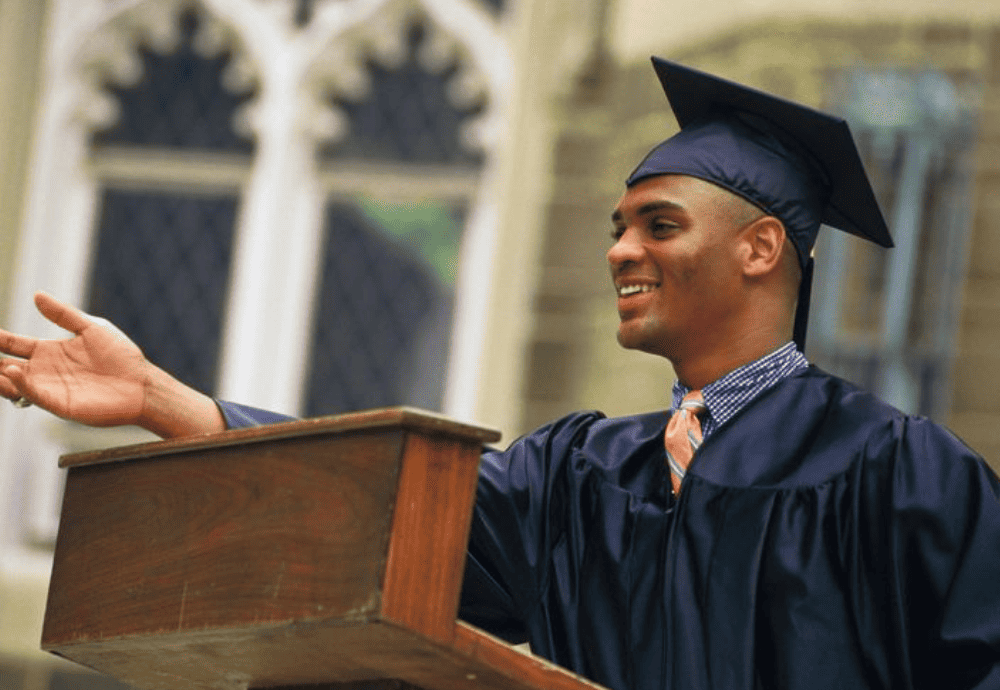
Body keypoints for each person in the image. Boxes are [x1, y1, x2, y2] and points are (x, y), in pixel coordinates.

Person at [1, 58, 998, 690]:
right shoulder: (575, 476)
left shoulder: (900, 474)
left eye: (658, 225)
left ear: (759, 248)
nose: (618, 251)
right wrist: (161, 402)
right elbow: (380, 507)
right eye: (616, 229)